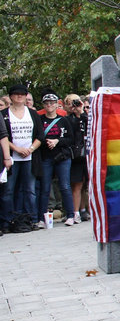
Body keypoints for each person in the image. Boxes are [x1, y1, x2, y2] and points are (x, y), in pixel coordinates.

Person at [2, 85, 44, 232]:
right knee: (8, 190)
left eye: (22, 94)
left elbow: (40, 135)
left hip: (30, 157)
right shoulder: (4, 114)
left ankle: (32, 219)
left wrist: (30, 149)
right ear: (11, 96)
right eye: (16, 94)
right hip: (11, 157)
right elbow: (2, 136)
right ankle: (7, 221)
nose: (19, 96)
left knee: (30, 190)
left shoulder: (33, 114)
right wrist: (16, 149)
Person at [35, 92, 76, 227]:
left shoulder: (64, 120)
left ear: (57, 104)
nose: (49, 105)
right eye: (46, 103)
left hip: (62, 157)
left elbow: (71, 139)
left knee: (65, 186)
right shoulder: (39, 120)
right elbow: (37, 137)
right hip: (46, 156)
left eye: (52, 103)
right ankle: (41, 218)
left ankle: (70, 215)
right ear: (43, 105)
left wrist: (57, 141)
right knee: (45, 187)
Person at [64, 94, 89, 223]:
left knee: (90, 183)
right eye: (69, 103)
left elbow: (91, 124)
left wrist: (81, 112)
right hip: (76, 156)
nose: (72, 105)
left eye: (75, 102)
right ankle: (76, 213)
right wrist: (75, 115)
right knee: (77, 184)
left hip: (89, 154)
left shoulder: (85, 116)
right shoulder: (66, 119)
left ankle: (87, 210)